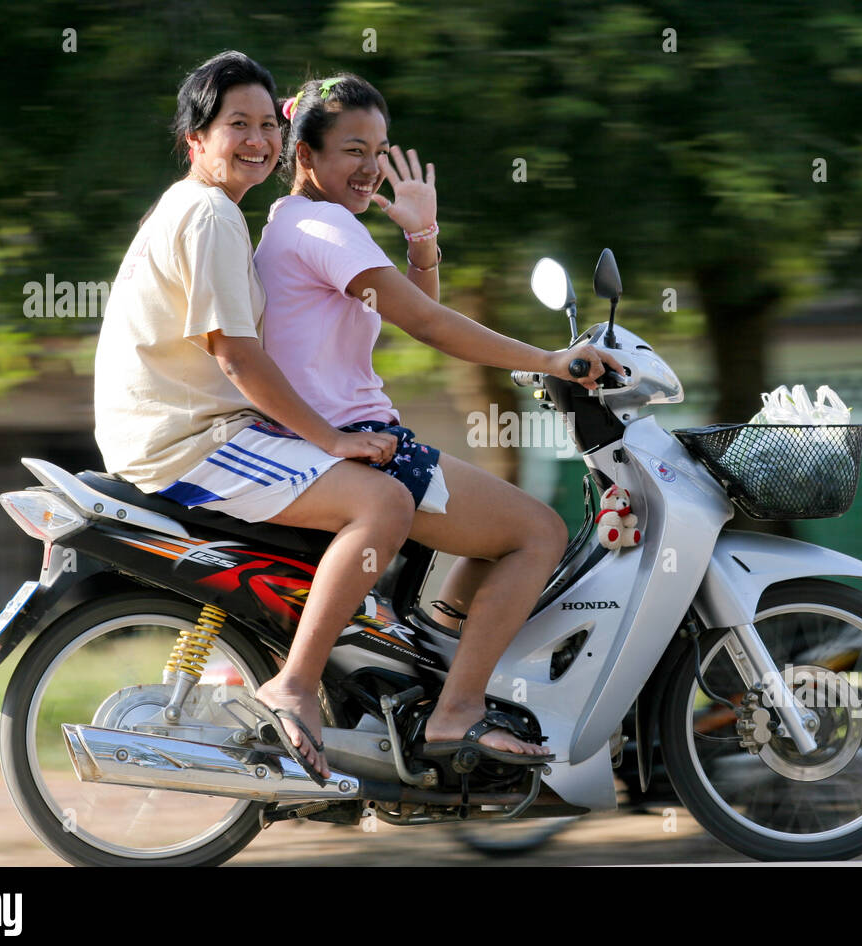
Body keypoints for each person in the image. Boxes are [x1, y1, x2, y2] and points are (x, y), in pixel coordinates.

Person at [248, 73, 622, 777]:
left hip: (335, 439)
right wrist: (551, 358)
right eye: (352, 149)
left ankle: (441, 668)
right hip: (358, 446)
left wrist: (422, 235)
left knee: (495, 538)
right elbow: (427, 322)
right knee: (536, 531)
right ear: (305, 155)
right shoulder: (323, 226)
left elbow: (415, 315)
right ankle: (457, 712)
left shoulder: (299, 226)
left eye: (381, 150)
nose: (370, 167)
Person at [93, 52, 414, 783]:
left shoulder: (209, 211)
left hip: (181, 430)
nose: (258, 139)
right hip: (189, 439)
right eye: (238, 124)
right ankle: (294, 686)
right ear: (195, 139)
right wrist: (329, 436)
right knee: (384, 505)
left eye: (269, 124)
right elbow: (237, 356)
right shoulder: (209, 215)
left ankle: (301, 706)